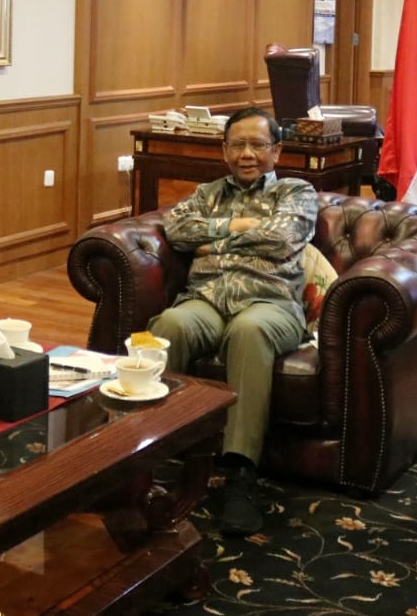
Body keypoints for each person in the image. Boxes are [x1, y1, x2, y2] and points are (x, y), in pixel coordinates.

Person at [148, 106, 319, 536]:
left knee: (249, 330)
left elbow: (281, 239)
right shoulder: (206, 193)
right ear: (223, 150)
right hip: (205, 299)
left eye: (258, 145)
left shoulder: (296, 192)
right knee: (170, 324)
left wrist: (212, 242)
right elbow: (176, 230)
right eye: (238, 145)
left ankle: (240, 473)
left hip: (270, 303)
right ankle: (149, 455)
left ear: (276, 151)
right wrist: (241, 225)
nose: (247, 154)